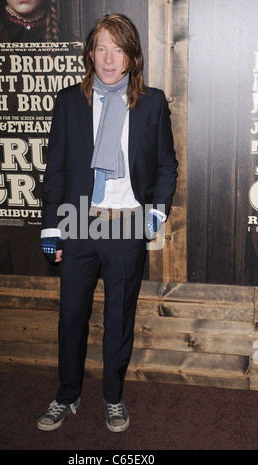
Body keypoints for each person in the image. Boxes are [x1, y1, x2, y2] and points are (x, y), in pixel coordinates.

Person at [38, 13, 178, 433]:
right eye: (101, 47)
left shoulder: (152, 103)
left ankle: (113, 397)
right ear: (90, 54)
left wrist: (156, 211)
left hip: (126, 227)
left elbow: (166, 164)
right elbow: (57, 169)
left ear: (132, 57)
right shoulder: (68, 101)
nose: (109, 58)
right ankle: (67, 395)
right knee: (71, 317)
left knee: (119, 318)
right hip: (78, 222)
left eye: (118, 49)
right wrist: (50, 226)